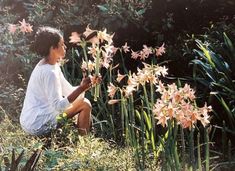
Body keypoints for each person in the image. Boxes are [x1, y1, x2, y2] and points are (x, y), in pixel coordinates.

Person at [20, 26, 98, 136]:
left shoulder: (50, 65)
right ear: (53, 48)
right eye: (62, 44)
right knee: (85, 104)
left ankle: (82, 140)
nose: (65, 47)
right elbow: (59, 106)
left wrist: (85, 85)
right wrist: (81, 88)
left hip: (32, 120)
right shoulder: (49, 72)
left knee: (83, 102)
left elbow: (68, 91)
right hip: (37, 125)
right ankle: (84, 144)